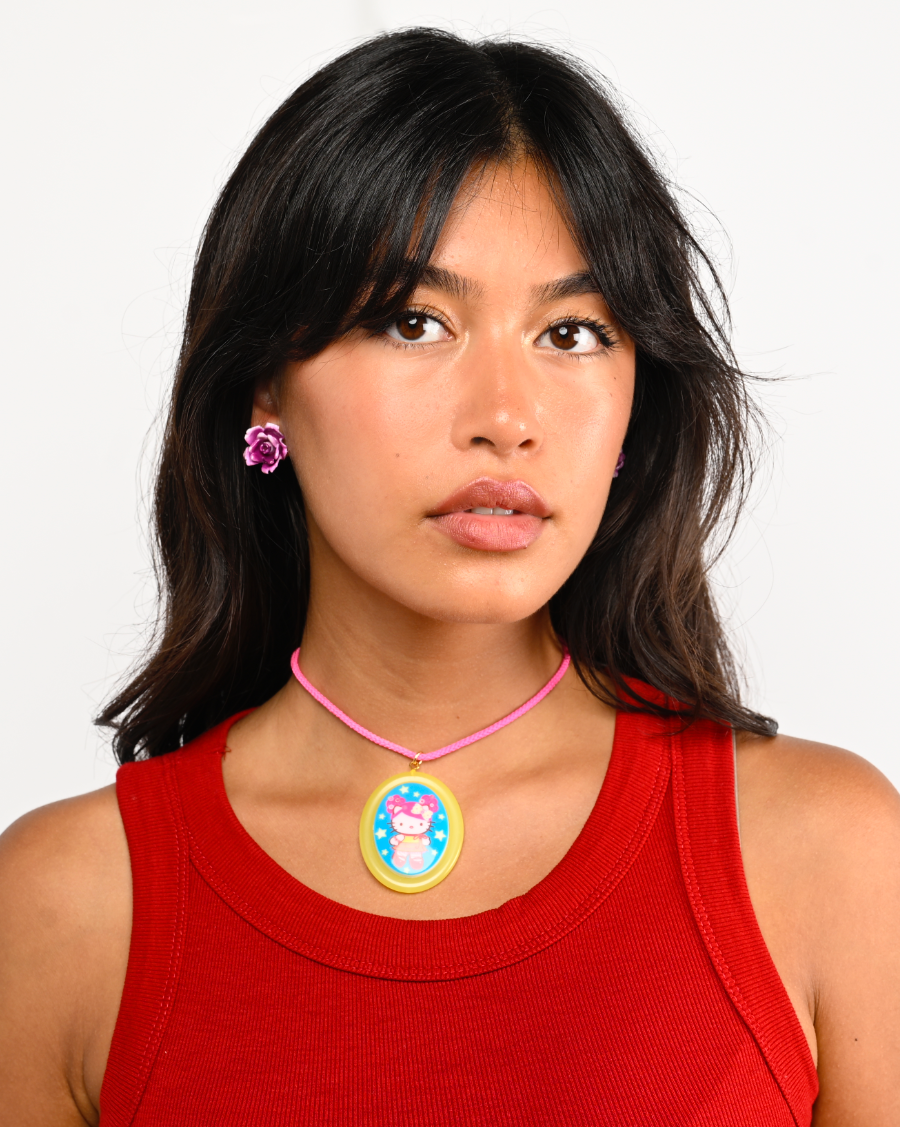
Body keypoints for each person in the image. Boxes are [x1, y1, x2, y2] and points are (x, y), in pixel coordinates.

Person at [0, 27, 897, 1126]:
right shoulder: (65, 911)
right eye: (414, 321)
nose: (507, 417)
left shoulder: (829, 857)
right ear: (265, 388)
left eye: (573, 333)